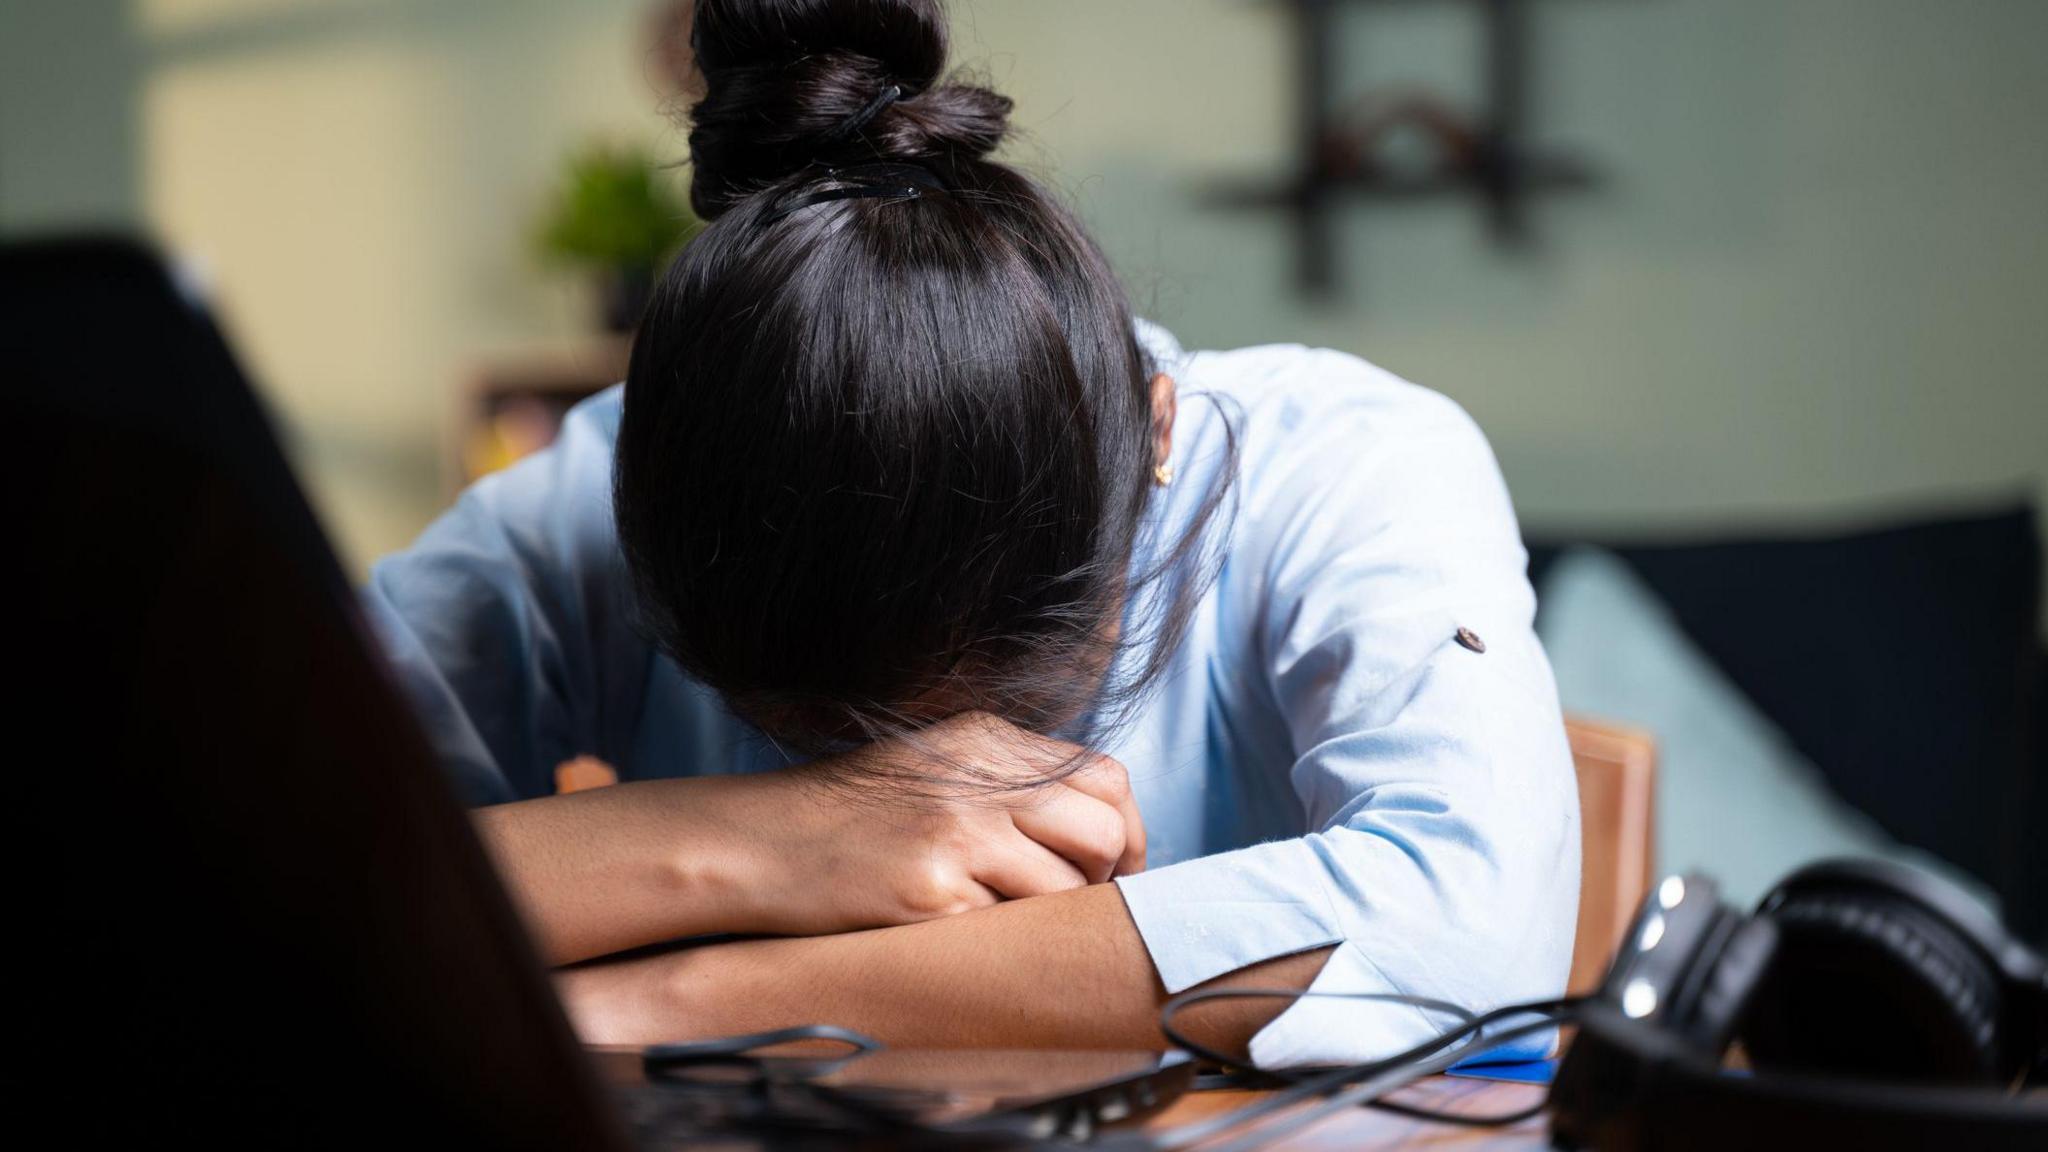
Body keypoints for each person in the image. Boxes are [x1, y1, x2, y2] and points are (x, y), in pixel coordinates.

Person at [368, 0, 1579, 1069]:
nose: (927, 793)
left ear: (1154, 441)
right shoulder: (606, 488)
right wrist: (766, 837)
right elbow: (236, 874)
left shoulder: (1343, 463)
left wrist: (696, 996)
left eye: (1004, 703)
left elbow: (1470, 921)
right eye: (802, 733)